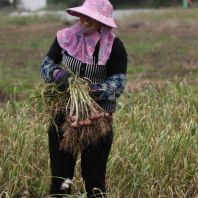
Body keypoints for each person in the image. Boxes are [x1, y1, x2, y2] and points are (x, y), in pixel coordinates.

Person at [40, 0, 128, 197]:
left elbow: (118, 83)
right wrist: (56, 74)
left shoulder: (114, 46)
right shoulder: (65, 37)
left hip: (97, 118)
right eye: (83, 15)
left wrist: (94, 90)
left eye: (91, 17)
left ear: (101, 21)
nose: (84, 20)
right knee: (60, 181)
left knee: (95, 181)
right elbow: (45, 66)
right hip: (64, 117)